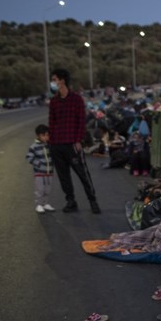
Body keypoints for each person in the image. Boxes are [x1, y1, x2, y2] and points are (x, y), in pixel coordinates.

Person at [48, 68, 101, 214]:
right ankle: (70, 201)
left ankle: (93, 201)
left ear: (62, 80)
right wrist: (51, 144)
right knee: (64, 177)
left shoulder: (76, 99)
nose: (52, 83)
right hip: (57, 145)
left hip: (72, 144)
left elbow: (81, 122)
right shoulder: (54, 101)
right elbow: (52, 123)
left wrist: (78, 140)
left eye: (54, 79)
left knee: (83, 174)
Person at [25, 124, 55, 214]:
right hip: (39, 173)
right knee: (40, 189)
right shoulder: (34, 146)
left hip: (49, 172)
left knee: (47, 189)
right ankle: (39, 204)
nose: (46, 137)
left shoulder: (48, 145)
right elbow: (29, 157)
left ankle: (45, 203)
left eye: (47, 135)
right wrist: (39, 164)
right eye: (44, 135)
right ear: (38, 135)